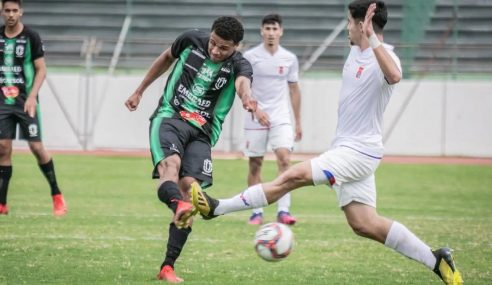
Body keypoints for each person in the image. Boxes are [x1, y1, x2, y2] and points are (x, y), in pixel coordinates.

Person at [190, 2, 463, 284]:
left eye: (349, 22)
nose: (346, 27)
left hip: (359, 151)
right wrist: (365, 33)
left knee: (292, 175)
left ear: (362, 26)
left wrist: (370, 35)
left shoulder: (386, 55)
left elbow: (394, 76)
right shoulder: (356, 50)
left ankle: (216, 208)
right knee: (364, 224)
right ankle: (436, 259)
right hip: (345, 148)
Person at [125, 16, 256, 283]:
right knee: (170, 168)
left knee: (190, 189)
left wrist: (247, 98)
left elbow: (243, 83)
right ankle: (178, 205)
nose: (215, 51)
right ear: (210, 35)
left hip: (203, 132)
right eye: (213, 43)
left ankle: (167, 267)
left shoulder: (240, 64)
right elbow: (165, 59)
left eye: (224, 48)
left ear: (236, 47)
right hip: (170, 117)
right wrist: (139, 90)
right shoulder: (190, 39)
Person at [0, 0, 67, 216]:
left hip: (26, 103)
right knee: (3, 148)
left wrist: (32, 96)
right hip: (3, 103)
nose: (11, 14)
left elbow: (41, 69)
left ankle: (56, 194)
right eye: (7, 10)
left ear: (21, 12)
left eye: (14, 10)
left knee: (37, 148)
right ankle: (2, 204)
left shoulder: (31, 37)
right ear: (2, 12)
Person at [242, 13, 302, 226]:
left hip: (280, 117)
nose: (271, 33)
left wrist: (298, 121)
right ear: (261, 31)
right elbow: (243, 85)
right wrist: (255, 109)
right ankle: (256, 211)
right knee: (255, 165)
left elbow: (294, 90)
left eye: (274, 29)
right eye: (267, 29)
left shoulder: (289, 58)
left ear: (281, 31)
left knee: (285, 160)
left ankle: (283, 210)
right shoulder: (250, 56)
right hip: (255, 117)